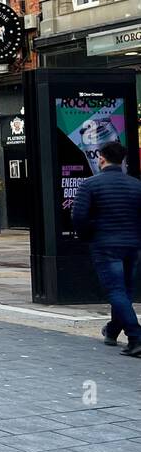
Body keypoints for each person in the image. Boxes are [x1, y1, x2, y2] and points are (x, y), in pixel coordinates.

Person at [73, 141, 141, 356]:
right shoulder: (136, 185)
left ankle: (136, 337)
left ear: (101, 158)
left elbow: (78, 216)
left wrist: (87, 236)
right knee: (125, 291)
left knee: (116, 291)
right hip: (133, 244)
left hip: (106, 244)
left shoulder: (90, 184)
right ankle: (112, 331)